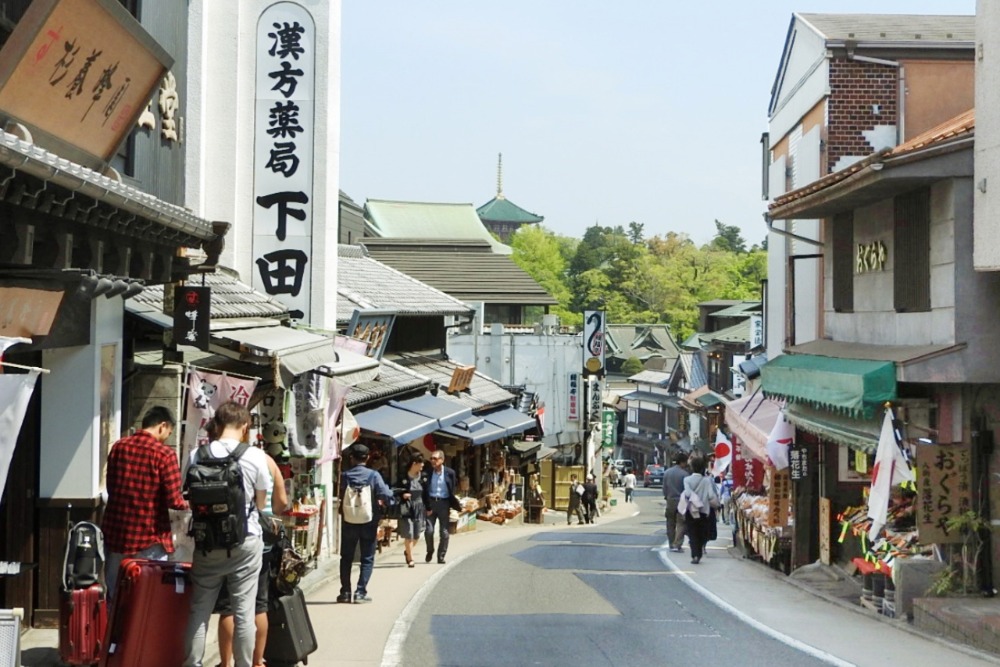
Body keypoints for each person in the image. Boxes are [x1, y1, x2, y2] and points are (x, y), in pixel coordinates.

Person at [183, 401, 272, 667]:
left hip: (206, 542)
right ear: (245, 426)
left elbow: (188, 497)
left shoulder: (196, 455)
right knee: (244, 611)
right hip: (244, 540)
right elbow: (259, 503)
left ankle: (192, 663)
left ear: (217, 425)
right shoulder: (254, 456)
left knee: (199, 610)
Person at [215, 428, 289, 667]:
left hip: (225, 538)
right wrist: (267, 512)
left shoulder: (217, 456)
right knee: (258, 604)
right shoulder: (266, 461)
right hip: (261, 543)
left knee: (229, 606)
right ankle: (256, 662)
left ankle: (225, 663)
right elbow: (282, 503)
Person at [102, 405, 188, 600]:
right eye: (168, 432)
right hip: (149, 539)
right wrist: (188, 504)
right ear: (162, 426)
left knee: (115, 597)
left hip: (116, 535)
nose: (166, 437)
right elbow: (174, 500)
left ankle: (115, 631)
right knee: (147, 598)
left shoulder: (118, 447)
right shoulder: (165, 455)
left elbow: (111, 487)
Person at [338, 443, 392, 603]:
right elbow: (385, 494)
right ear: (367, 458)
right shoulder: (373, 476)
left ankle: (345, 592)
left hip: (349, 520)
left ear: (351, 458)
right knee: (367, 557)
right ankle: (360, 592)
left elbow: (340, 493)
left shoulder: (345, 476)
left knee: (346, 557)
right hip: (369, 520)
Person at [679, 452, 721, 565]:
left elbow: (687, 493)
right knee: (702, 532)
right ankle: (700, 551)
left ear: (692, 467)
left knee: (692, 533)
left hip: (691, 510)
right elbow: (711, 496)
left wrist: (694, 499)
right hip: (704, 510)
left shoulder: (687, 480)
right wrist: (715, 504)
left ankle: (695, 555)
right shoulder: (707, 480)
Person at [422, 450, 460, 564]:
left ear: (442, 460)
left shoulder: (450, 473)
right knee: (429, 531)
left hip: (444, 503)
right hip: (431, 503)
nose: (433, 461)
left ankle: (441, 556)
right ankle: (430, 550)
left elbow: (452, 488)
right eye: (431, 458)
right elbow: (424, 490)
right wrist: (427, 506)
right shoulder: (427, 473)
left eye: (435, 459)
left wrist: (451, 503)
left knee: (444, 532)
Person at [394, 454, 426, 567]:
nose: (422, 467)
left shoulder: (423, 477)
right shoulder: (403, 477)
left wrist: (429, 507)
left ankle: (407, 551)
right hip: (406, 506)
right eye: (420, 464)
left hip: (419, 506)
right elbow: (395, 490)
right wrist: (403, 494)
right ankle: (410, 558)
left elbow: (426, 492)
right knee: (409, 534)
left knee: (417, 534)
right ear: (414, 464)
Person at [662, 452, 689, 552]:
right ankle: (678, 544)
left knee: (670, 523)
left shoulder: (667, 473)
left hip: (670, 500)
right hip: (682, 501)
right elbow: (687, 490)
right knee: (681, 523)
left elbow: (664, 488)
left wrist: (666, 496)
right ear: (682, 462)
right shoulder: (685, 474)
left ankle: (671, 543)